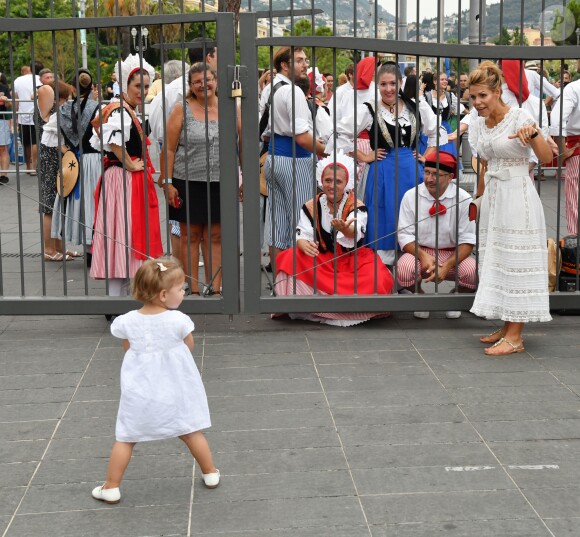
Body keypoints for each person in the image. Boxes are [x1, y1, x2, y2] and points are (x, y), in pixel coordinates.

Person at [91, 258, 219, 504]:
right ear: (163, 295)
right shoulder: (178, 320)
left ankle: (111, 486)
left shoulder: (127, 321)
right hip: (176, 389)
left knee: (126, 437)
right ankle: (210, 472)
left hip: (141, 392)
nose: (183, 293)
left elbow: (127, 349)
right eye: (180, 289)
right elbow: (188, 346)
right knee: (191, 430)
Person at [468, 61, 553, 356]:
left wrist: (533, 135)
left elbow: (545, 156)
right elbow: (485, 162)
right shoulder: (478, 124)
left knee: (516, 261)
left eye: (483, 96)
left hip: (518, 195)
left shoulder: (520, 117)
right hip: (494, 195)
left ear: (498, 92)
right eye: (473, 97)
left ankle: (516, 337)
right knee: (499, 257)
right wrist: (478, 197)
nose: (477, 102)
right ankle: (507, 328)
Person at [330, 62, 438, 267]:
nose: (388, 89)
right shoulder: (369, 109)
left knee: (413, 218)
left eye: (392, 83)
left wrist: (427, 155)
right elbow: (339, 135)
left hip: (412, 172)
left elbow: (436, 132)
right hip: (383, 172)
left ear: (400, 83)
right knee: (385, 220)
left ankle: (411, 279)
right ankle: (385, 281)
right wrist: (363, 155)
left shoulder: (416, 106)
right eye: (383, 84)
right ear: (376, 85)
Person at [273, 152, 394, 326]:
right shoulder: (311, 205)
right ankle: (318, 306)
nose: (331, 185)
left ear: (347, 184)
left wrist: (347, 229)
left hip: (353, 260)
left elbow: (357, 228)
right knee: (289, 257)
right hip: (323, 258)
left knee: (377, 277)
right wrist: (302, 244)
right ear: (321, 181)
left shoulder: (356, 205)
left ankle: (333, 308)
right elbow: (302, 232)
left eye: (337, 181)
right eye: (328, 180)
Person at [159, 62, 236, 296]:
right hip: (187, 181)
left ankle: (215, 288)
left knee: (215, 236)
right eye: (197, 82)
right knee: (189, 236)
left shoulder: (229, 107)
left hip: (220, 182)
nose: (204, 85)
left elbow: (241, 144)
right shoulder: (181, 109)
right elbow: (169, 149)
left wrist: (242, 178)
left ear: (216, 81)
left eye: (208, 79)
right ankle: (192, 289)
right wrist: (168, 182)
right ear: (191, 86)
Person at [89, 54, 163, 297]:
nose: (142, 91)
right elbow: (112, 140)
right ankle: (120, 299)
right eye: (137, 86)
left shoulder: (123, 109)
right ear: (125, 85)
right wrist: (130, 164)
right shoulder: (121, 110)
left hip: (121, 181)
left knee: (120, 235)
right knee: (126, 235)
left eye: (145, 86)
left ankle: (118, 298)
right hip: (123, 182)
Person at [397, 151, 476, 320]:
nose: (429, 179)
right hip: (420, 252)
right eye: (427, 172)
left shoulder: (464, 198)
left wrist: (447, 265)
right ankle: (421, 297)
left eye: (436, 175)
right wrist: (423, 255)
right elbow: (404, 234)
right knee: (403, 270)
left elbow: (468, 241)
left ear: (450, 177)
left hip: (452, 253)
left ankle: (454, 297)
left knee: (472, 272)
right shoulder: (411, 196)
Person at [264, 46, 326, 261]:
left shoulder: (269, 87)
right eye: (299, 60)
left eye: (305, 59)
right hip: (295, 160)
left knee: (277, 224)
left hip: (273, 158)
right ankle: (299, 281)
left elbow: (264, 132)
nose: (305, 64)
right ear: (284, 64)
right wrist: (326, 151)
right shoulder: (293, 91)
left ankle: (279, 281)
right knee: (303, 221)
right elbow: (301, 136)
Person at [47, 69, 101, 258]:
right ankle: (94, 250)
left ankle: (87, 249)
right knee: (95, 204)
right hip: (95, 161)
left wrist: (68, 150)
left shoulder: (63, 111)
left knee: (81, 205)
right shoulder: (99, 108)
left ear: (72, 88)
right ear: (93, 87)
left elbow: (52, 140)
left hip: (74, 163)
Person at [37, 80, 75, 261]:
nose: (66, 102)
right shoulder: (50, 113)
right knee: (50, 206)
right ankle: (49, 249)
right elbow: (44, 89)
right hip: (50, 160)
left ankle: (59, 247)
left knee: (59, 205)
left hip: (54, 159)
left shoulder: (57, 112)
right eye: (63, 98)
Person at [550, 75, 580, 236]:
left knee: (574, 198)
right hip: (577, 145)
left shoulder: (574, 88)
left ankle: (575, 242)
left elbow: (556, 119)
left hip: (577, 147)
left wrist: (562, 151)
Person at [13, 62, 42, 173]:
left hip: (23, 115)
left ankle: (28, 166)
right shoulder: (40, 78)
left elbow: (16, 99)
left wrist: (15, 115)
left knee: (26, 143)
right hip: (37, 113)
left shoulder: (18, 80)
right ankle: (34, 167)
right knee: (35, 141)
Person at [0, 72, 12, 184]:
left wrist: (6, 100)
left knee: (3, 148)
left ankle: (3, 175)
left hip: (1, 120)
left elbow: (10, 105)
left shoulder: (3, 87)